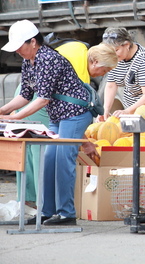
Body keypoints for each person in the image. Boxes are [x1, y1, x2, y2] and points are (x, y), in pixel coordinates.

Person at [0, 20, 94, 226]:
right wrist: (4, 110)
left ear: (33, 42)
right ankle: (47, 210)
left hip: (75, 113)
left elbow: (43, 99)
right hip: (58, 117)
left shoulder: (49, 59)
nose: (18, 51)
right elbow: (25, 95)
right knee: (48, 160)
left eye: (20, 46)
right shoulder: (28, 61)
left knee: (63, 161)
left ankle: (67, 213)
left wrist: (15, 117)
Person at [12, 41, 118, 209]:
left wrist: (13, 113)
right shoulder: (79, 72)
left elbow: (73, 107)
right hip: (50, 108)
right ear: (96, 62)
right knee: (49, 158)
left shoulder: (78, 48)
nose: (100, 75)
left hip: (60, 109)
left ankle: (57, 210)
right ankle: (46, 209)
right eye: (103, 71)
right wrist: (86, 142)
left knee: (54, 157)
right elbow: (69, 108)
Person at [100, 27, 145, 119]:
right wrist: (105, 111)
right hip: (132, 112)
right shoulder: (116, 58)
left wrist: (127, 111)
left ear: (127, 45)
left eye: (116, 50)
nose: (113, 54)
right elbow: (111, 85)